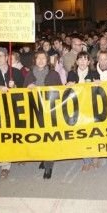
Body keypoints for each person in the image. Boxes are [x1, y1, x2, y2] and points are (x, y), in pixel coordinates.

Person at [23, 51, 62, 179]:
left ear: (47, 60)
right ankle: (43, 158)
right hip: (35, 111)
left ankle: (48, 166)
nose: (40, 60)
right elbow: (23, 93)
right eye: (38, 58)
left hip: (50, 112)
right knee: (39, 138)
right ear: (35, 60)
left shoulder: (54, 74)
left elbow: (60, 92)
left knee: (48, 138)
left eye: (43, 58)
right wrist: (27, 87)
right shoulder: (29, 74)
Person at [0, 46, 24, 179]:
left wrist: (14, 87)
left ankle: (19, 155)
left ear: (6, 57)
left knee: (17, 134)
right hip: (0, 109)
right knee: (3, 136)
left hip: (15, 108)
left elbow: (23, 90)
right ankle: (5, 165)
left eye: (0, 56)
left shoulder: (16, 71)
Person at [66, 51, 101, 171]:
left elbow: (100, 92)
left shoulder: (94, 73)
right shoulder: (71, 73)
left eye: (85, 59)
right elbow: (67, 92)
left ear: (89, 62)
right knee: (82, 135)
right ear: (76, 61)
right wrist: (67, 85)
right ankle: (86, 160)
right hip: (78, 109)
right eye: (80, 59)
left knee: (94, 133)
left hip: (91, 108)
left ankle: (96, 156)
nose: (82, 61)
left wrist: (98, 84)